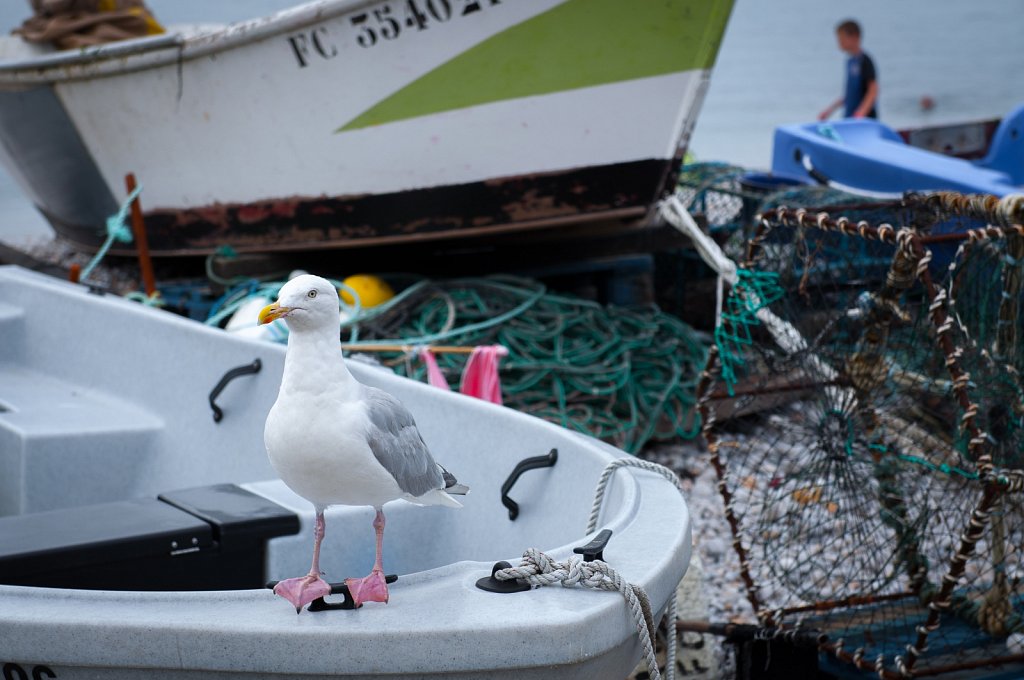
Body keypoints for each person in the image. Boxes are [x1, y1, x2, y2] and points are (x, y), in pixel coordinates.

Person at [818, 20, 878, 121]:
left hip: (865, 120)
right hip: (849, 117)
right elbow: (849, 95)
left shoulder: (864, 60)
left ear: (854, 37)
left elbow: (873, 90)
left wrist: (861, 113)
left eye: (841, 39)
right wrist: (830, 110)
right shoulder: (850, 61)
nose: (839, 42)